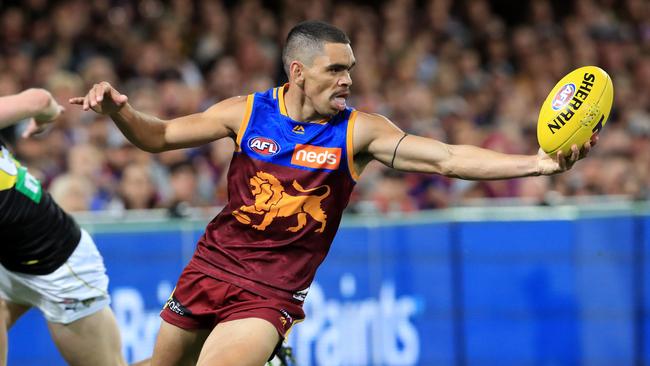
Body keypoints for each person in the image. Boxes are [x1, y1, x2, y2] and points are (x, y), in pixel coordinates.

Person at [71, 21, 595, 366]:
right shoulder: (246, 112)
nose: (347, 81)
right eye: (335, 70)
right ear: (297, 72)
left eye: (350, 70)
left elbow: (447, 158)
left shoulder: (360, 131)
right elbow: (158, 137)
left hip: (269, 293)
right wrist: (120, 110)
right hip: (210, 267)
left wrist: (537, 163)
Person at [0, 88, 126, 366]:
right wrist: (46, 116)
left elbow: (40, 101)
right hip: (8, 266)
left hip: (61, 267)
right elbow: (40, 100)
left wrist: (45, 113)